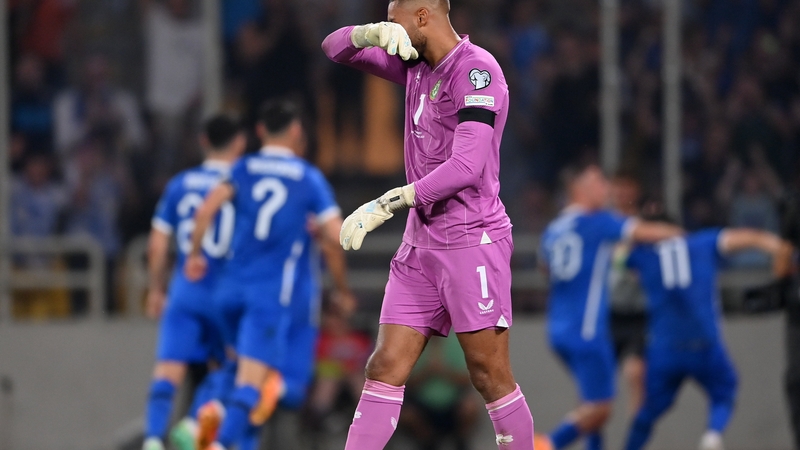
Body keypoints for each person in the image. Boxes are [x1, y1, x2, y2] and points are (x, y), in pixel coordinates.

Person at [322, 1, 535, 449]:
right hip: (420, 247)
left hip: (471, 240)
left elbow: (467, 164)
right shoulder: (415, 65)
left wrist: (391, 200)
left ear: (423, 17)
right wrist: (367, 34)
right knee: (384, 366)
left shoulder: (477, 71)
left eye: (393, 19)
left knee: (489, 374)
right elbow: (333, 47)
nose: (390, 27)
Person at [184, 99, 346, 450]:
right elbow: (337, 237)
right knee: (260, 384)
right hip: (269, 297)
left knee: (234, 369)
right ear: (296, 132)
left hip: (227, 291)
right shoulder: (307, 178)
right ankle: (216, 441)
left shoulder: (242, 168)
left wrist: (194, 255)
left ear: (259, 131)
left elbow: (207, 207)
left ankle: (203, 414)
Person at [537, 163, 683, 450]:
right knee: (601, 408)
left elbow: (545, 269)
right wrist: (682, 236)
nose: (606, 188)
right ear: (578, 189)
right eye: (598, 182)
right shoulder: (597, 222)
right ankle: (545, 444)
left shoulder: (553, 229)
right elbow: (643, 232)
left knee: (591, 402)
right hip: (588, 330)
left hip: (558, 329)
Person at [623, 226, 793, 450]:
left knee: (649, 409)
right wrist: (777, 246)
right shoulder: (703, 243)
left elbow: (619, 257)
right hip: (704, 344)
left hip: (665, 348)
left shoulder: (642, 255)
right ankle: (712, 435)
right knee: (725, 390)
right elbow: (748, 238)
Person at [142, 115, 246, 450]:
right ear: (239, 144)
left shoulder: (179, 184)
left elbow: (157, 246)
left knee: (168, 370)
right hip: (226, 288)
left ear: (203, 141)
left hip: (185, 287)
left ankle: (153, 439)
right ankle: (193, 425)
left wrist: (157, 290)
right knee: (231, 365)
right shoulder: (242, 182)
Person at [608, 172, 649, 416]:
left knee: (636, 375)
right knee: (596, 385)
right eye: (618, 187)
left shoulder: (644, 228)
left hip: (637, 314)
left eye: (628, 187)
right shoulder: (602, 225)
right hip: (607, 312)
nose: (623, 193)